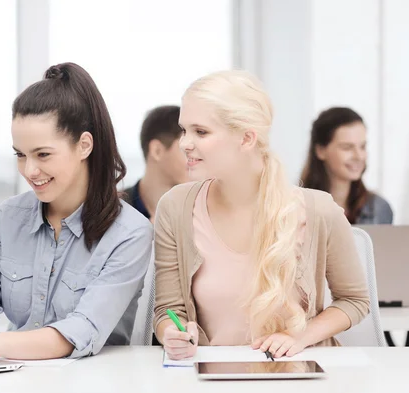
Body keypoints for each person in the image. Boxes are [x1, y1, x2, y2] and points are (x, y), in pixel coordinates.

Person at [0, 62, 153, 363]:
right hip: (17, 378)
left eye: (43, 154)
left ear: (84, 145)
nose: (30, 170)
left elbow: (81, 329)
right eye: (20, 155)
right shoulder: (8, 217)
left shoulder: (129, 233)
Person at [153, 70, 370, 361]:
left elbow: (355, 301)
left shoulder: (319, 211)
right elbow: (167, 310)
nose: (184, 143)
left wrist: (301, 336)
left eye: (200, 132)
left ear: (246, 139)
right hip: (212, 376)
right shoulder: (175, 207)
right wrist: (172, 333)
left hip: (296, 374)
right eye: (183, 130)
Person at [300, 107, 393, 224]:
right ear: (320, 151)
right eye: (347, 147)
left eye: (362, 147)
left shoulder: (379, 208)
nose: (359, 156)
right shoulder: (295, 207)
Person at [122, 105, 188, 223]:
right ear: (157, 151)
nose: (195, 158)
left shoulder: (203, 212)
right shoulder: (111, 212)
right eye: (186, 149)